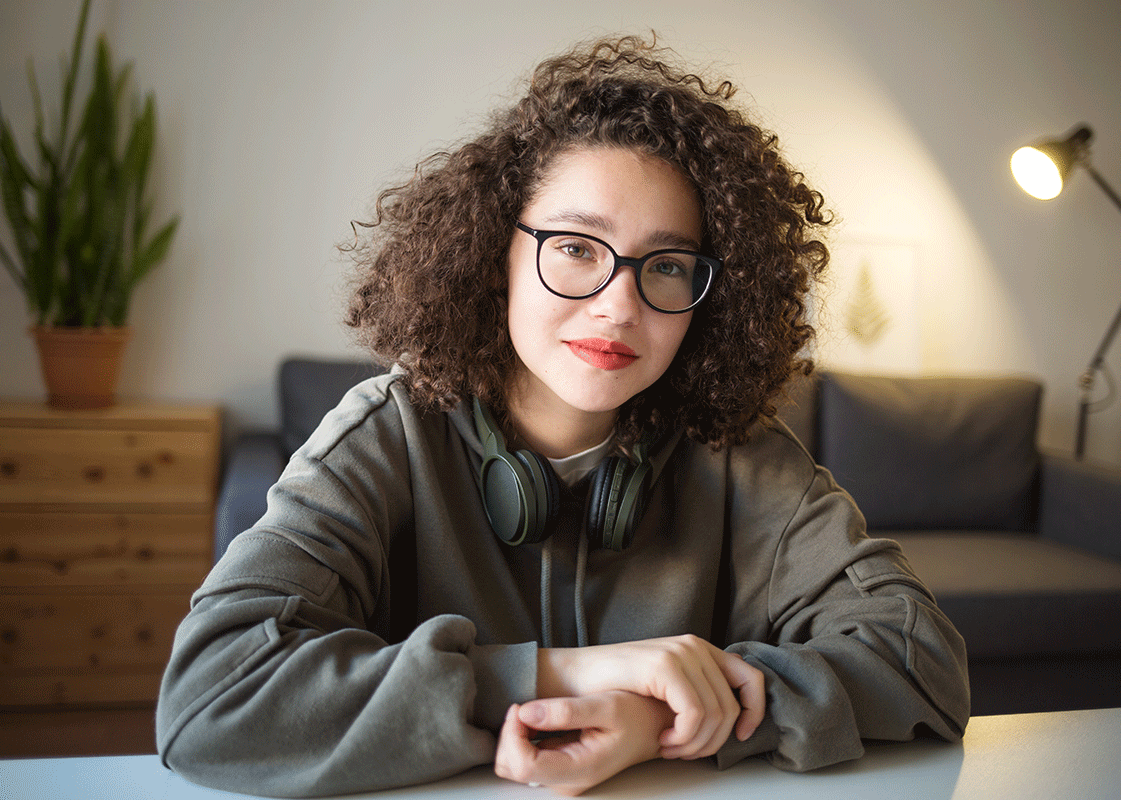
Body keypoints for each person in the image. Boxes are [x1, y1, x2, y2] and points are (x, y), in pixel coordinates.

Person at [157, 34, 970, 798]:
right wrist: (563, 678)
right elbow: (211, 697)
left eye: (668, 265)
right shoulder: (386, 431)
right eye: (577, 247)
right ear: (494, 254)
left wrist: (659, 719)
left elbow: (923, 658)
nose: (620, 306)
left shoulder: (738, 452)